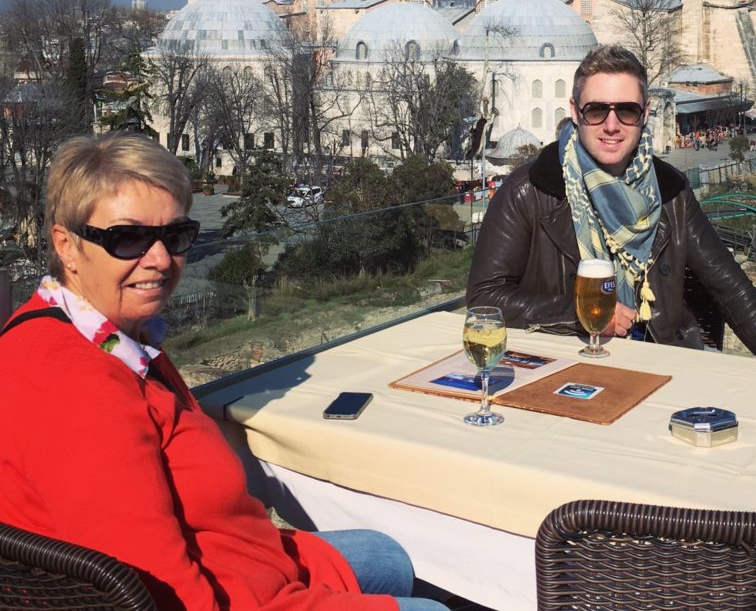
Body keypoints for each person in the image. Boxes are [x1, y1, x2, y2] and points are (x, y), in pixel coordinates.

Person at [0, 133, 447, 611]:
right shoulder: (74, 382)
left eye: (174, 236)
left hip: (240, 560)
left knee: (389, 554)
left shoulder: (107, 334)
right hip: (230, 596)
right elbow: (153, 584)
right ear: (66, 245)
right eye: (127, 238)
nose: (159, 259)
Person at [467, 45, 756, 361]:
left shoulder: (670, 190)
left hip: (656, 356)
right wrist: (581, 314)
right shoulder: (530, 190)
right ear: (575, 112)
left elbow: (728, 284)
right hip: (563, 358)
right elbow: (486, 297)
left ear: (645, 114)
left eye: (626, 111)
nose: (611, 126)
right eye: (596, 110)